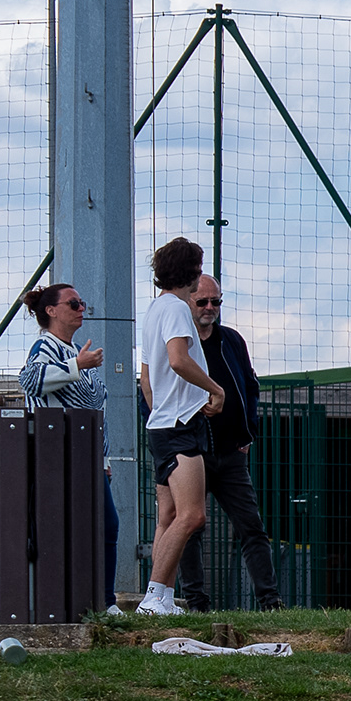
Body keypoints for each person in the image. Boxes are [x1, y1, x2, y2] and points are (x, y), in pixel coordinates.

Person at [178, 269, 282, 609]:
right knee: (190, 526)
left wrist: (248, 431)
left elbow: (250, 386)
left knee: (252, 526)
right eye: (202, 302)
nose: (210, 308)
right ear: (187, 301)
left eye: (216, 302)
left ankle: (269, 600)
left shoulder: (231, 341)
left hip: (231, 452)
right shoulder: (180, 344)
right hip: (192, 451)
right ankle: (195, 600)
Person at [137, 238, 225, 618]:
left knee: (169, 516)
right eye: (199, 268)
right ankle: (152, 597)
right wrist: (214, 389)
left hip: (164, 424)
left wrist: (160, 409)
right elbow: (177, 359)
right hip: (178, 427)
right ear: (189, 271)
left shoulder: (156, 308)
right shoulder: (175, 308)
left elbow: (146, 377)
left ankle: (162, 598)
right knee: (192, 515)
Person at [16, 284, 116, 597]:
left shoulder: (75, 350)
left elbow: (96, 409)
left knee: (104, 525)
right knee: (90, 526)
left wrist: (104, 458)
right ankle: (89, 598)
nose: (81, 309)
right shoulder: (45, 347)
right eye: (73, 304)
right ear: (51, 311)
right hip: (59, 456)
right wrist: (77, 367)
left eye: (81, 303)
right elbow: (30, 380)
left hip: (87, 457)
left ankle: (102, 598)